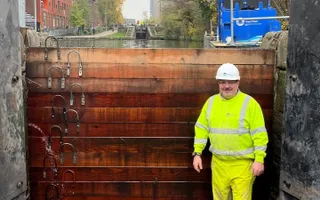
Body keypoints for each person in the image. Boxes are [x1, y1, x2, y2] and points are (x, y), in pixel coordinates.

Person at [192, 63, 268, 200]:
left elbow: (260, 135)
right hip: (219, 165)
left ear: (238, 82)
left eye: (231, 82)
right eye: (222, 82)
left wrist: (259, 159)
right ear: (218, 82)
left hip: (243, 166)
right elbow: (201, 130)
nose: (226, 86)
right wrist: (197, 153)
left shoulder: (250, 104)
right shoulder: (211, 103)